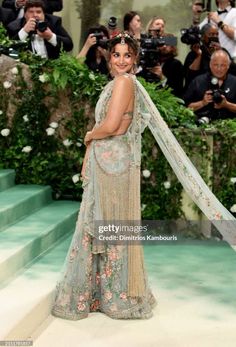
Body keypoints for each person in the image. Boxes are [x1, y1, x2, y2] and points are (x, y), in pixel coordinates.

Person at [51, 33, 235, 321]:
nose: (121, 61)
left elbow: (112, 125)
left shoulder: (124, 82)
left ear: (135, 59)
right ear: (109, 58)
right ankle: (107, 292)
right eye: (116, 55)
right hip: (111, 163)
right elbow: (116, 124)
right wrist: (103, 134)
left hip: (113, 166)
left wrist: (90, 135)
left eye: (127, 55)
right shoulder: (121, 83)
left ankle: (114, 294)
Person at [7, 0, 73, 59]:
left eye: (38, 12)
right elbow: (10, 52)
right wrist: (24, 32)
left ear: (44, 14)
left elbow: (69, 46)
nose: (35, 15)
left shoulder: (53, 23)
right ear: (24, 15)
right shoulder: (14, 27)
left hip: (52, 67)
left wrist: (50, 37)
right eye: (31, 12)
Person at [184, 49, 236, 122]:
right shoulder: (198, 81)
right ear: (210, 65)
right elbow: (185, 108)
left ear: (228, 66)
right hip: (200, 125)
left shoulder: (234, 82)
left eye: (223, 65)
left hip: (230, 126)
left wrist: (226, 105)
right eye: (215, 65)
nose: (219, 69)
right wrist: (202, 102)